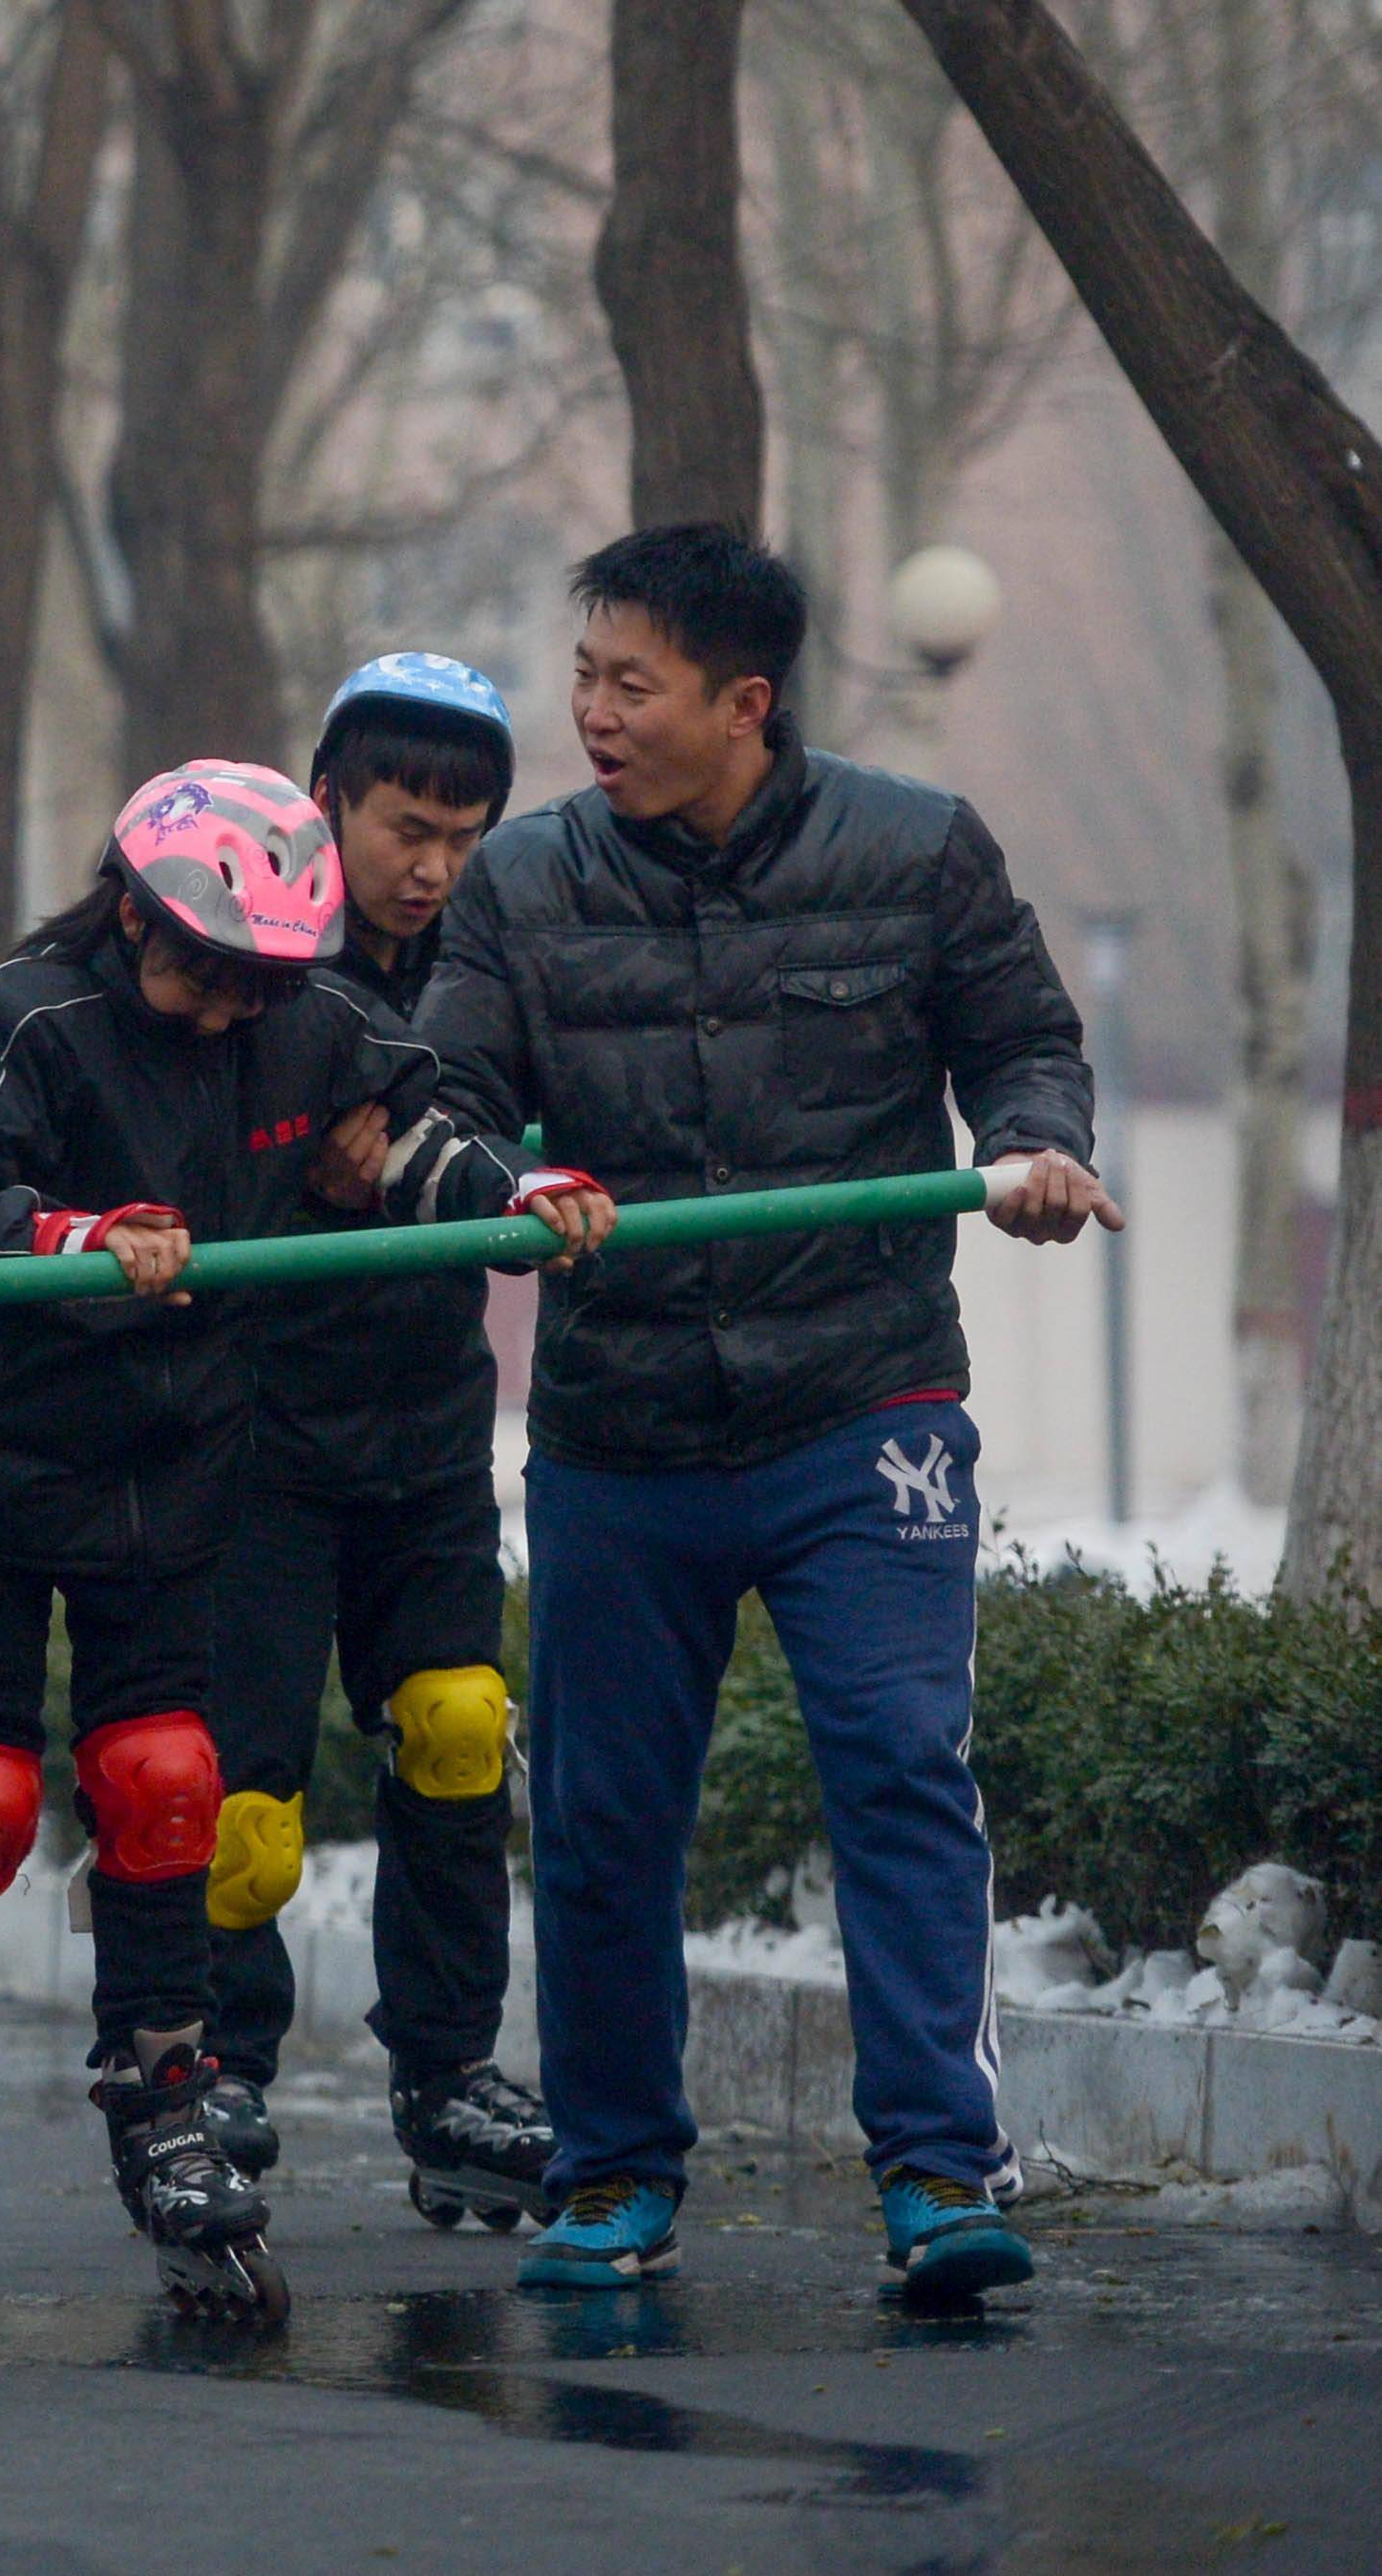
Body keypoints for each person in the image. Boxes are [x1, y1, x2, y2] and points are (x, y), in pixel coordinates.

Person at [0, 759, 597, 2331]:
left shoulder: (299, 1022)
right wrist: (72, 1235)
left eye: (256, 985)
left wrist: (523, 1186)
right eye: (197, 973)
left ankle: (169, 2085)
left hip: (169, 1452)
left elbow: (417, 1119)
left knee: (168, 1777)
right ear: (125, 910)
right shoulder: (28, 1013)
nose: (225, 1012)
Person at [415, 524, 1113, 2309]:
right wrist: (505, 1178)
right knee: (597, 1807)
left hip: (857, 1407)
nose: (589, 714)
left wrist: (1035, 1151)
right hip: (616, 1431)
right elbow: (440, 1098)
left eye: (626, 684)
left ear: (744, 700)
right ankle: (613, 2175)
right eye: (582, 676)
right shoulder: (521, 888)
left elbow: (1024, 1044)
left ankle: (942, 2167)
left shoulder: (915, 849)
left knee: (894, 1764)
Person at [194, 652, 559, 2232]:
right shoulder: (232, 946)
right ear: (325, 797)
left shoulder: (498, 956)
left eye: (464, 836)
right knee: (239, 1800)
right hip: (248, 1434)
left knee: (461, 1728)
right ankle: (208, 2066)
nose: (430, 869)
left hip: (419, 1425)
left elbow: (546, 1126)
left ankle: (449, 2073)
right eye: (406, 827)